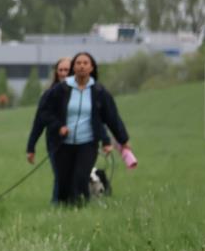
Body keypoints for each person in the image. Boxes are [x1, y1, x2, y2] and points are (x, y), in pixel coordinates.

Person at [39, 52, 131, 206]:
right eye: (78, 63)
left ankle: (79, 208)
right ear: (73, 67)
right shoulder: (61, 89)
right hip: (64, 143)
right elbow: (44, 111)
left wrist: (123, 140)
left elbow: (112, 117)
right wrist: (58, 126)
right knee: (63, 180)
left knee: (80, 178)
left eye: (85, 63)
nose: (82, 66)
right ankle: (63, 208)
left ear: (92, 67)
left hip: (87, 142)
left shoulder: (99, 91)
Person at [26, 57, 71, 203]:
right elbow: (39, 121)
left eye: (67, 70)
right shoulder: (49, 94)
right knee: (60, 175)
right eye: (61, 70)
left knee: (76, 175)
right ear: (56, 73)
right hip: (55, 142)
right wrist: (31, 147)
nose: (64, 73)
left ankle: (74, 204)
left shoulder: (82, 92)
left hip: (80, 140)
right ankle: (57, 206)